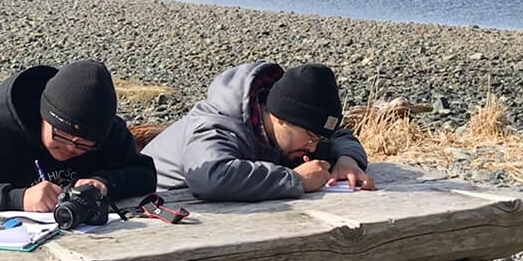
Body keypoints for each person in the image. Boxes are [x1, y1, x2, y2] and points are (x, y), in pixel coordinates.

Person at [0, 59, 156, 217]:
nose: (69, 148)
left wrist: (105, 183)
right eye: (61, 137)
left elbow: (145, 174)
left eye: (83, 145)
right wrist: (19, 199)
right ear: (43, 115)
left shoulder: (106, 131)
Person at [143, 61, 374, 202]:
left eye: (318, 138)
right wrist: (296, 180)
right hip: (155, 208)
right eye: (311, 137)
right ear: (280, 119)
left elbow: (339, 136)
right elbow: (210, 178)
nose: (314, 147)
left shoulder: (295, 126)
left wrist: (348, 161)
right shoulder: (217, 124)